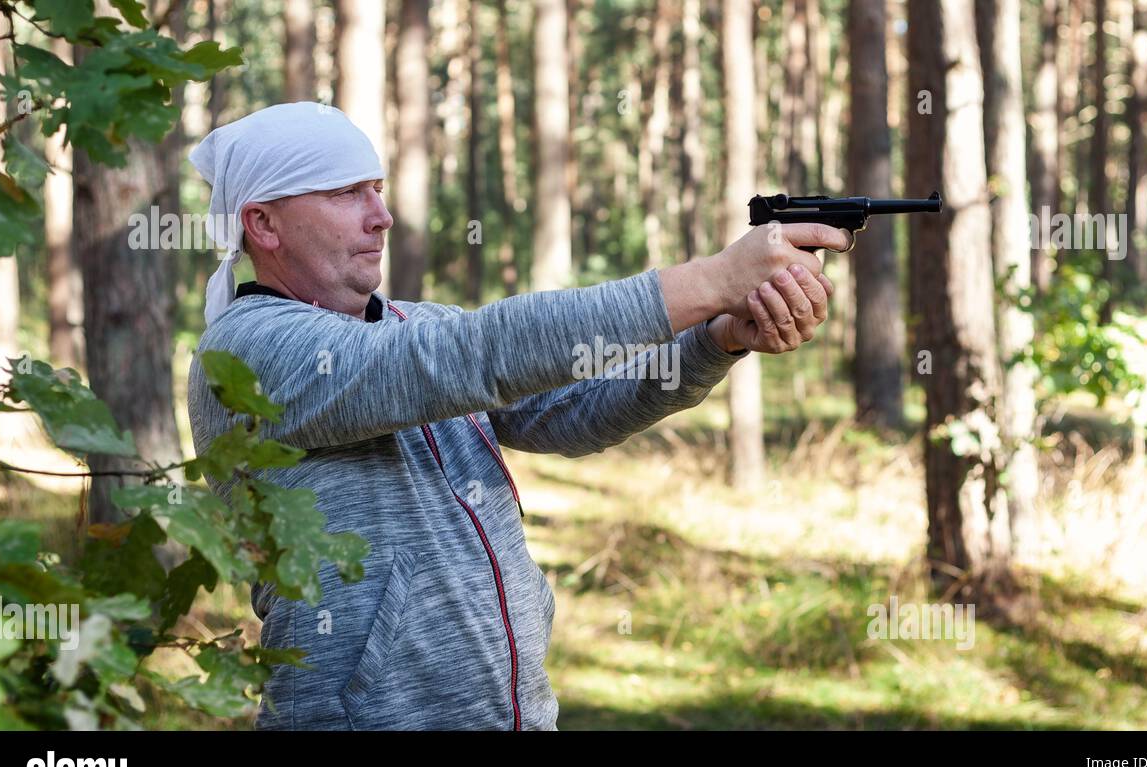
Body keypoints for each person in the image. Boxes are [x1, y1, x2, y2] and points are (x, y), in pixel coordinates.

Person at [186, 101, 852, 730]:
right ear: (263, 224)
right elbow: (473, 355)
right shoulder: (245, 354)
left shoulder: (415, 327)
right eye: (345, 193)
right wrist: (708, 281)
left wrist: (717, 338)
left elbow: (578, 407)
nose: (381, 214)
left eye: (378, 187)